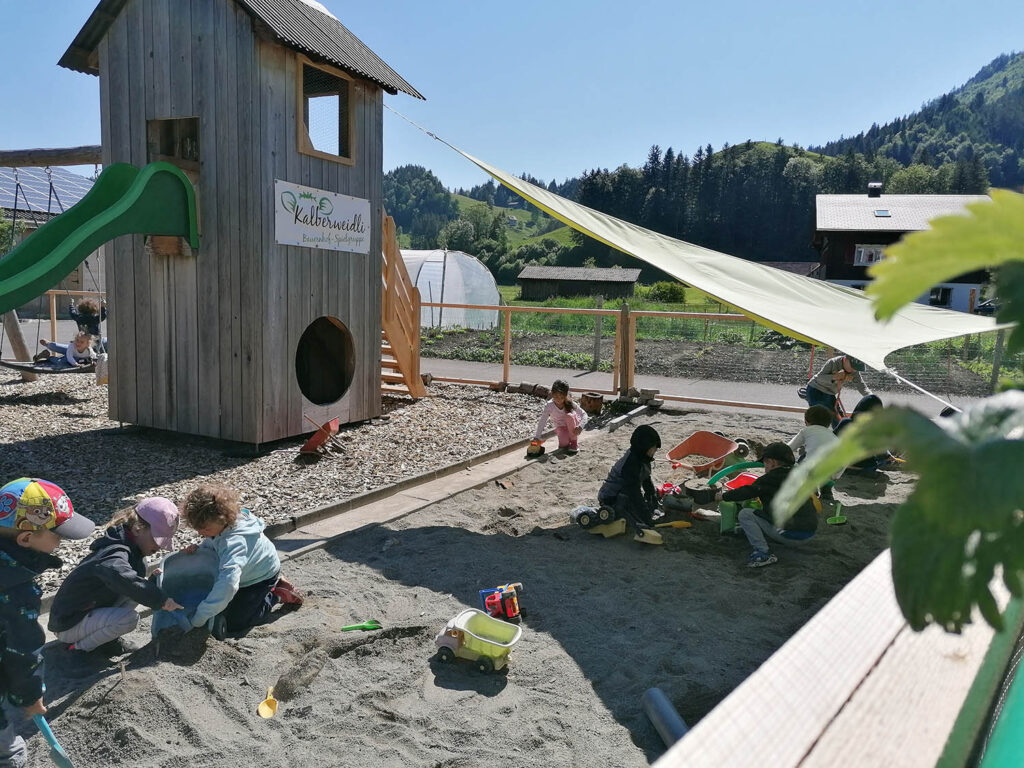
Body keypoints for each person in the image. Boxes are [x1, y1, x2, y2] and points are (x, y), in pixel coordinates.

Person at [0, 479, 95, 768]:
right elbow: (22, 652)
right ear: (25, 539)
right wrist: (30, 696)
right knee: (7, 744)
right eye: (57, 535)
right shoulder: (16, 591)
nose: (61, 542)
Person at [48, 497, 183, 655]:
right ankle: (79, 649)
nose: (160, 546)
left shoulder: (131, 551)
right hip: (68, 623)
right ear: (138, 528)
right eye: (158, 538)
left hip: (87, 611)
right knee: (129, 619)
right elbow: (118, 573)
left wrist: (150, 584)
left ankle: (106, 641)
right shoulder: (113, 553)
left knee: (138, 587)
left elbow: (131, 585)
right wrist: (160, 599)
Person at [181, 485, 303, 635]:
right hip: (245, 570)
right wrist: (199, 550)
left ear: (222, 518)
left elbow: (228, 584)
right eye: (197, 529)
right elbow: (215, 543)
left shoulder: (235, 543)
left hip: (259, 577)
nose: (200, 533)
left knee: (236, 622)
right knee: (218, 602)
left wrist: (199, 617)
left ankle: (276, 594)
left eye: (204, 529)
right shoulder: (221, 526)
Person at [713, 442, 819, 568]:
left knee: (746, 514)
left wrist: (723, 496)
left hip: (790, 535)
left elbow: (747, 491)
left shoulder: (769, 479)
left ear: (772, 462)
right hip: (809, 533)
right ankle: (758, 532)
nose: (764, 467)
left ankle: (763, 552)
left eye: (765, 463)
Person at [598, 425, 662, 540]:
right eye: (653, 448)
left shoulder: (643, 458)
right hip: (612, 497)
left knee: (644, 500)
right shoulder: (631, 464)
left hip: (627, 492)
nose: (655, 451)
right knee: (634, 506)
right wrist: (646, 516)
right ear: (644, 447)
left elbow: (646, 480)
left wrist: (652, 497)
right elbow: (634, 492)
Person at [834, 394, 902, 473]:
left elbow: (832, 439)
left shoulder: (845, 422)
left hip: (841, 463)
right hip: (863, 467)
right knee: (883, 461)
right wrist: (888, 456)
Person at [789, 404, 843, 501]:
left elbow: (789, 448)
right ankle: (826, 491)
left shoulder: (806, 431)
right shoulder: (832, 435)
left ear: (807, 421)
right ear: (828, 424)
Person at [804, 354, 872, 427]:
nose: (854, 370)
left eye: (856, 368)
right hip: (815, 389)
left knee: (839, 417)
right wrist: (834, 377)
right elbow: (820, 378)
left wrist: (871, 397)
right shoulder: (832, 362)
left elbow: (862, 386)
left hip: (829, 394)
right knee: (822, 415)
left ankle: (839, 435)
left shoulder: (854, 372)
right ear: (845, 359)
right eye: (852, 367)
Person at [534, 379, 588, 455]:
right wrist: (537, 437)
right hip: (561, 428)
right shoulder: (549, 406)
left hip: (573, 427)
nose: (558, 399)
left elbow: (584, 414)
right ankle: (567, 439)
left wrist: (580, 426)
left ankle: (574, 442)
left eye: (561, 397)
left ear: (565, 396)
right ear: (552, 393)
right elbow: (542, 421)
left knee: (569, 416)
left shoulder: (570, 403)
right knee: (564, 445)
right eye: (556, 396)